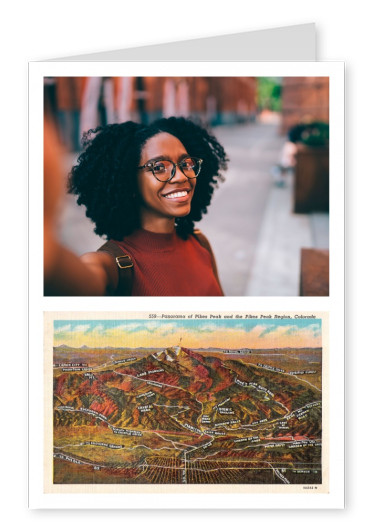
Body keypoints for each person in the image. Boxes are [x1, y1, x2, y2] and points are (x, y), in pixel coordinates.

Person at [45, 116, 228, 296]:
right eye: (159, 167)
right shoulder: (111, 266)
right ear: (129, 181)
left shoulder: (200, 243)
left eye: (186, 163)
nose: (181, 176)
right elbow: (70, 279)